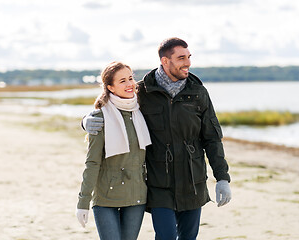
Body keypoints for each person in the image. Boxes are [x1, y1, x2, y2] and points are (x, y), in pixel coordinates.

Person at [83, 38, 231, 240]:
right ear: (165, 61)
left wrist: (222, 177)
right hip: (159, 183)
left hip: (193, 182)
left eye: (189, 57)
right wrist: (86, 120)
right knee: (166, 236)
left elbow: (212, 138)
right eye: (181, 58)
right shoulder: (143, 92)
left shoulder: (198, 93)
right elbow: (114, 108)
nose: (187, 63)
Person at [76, 61, 151, 240]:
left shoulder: (143, 110)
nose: (130, 84)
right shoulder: (100, 118)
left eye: (131, 78)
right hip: (106, 197)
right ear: (110, 87)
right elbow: (92, 163)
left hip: (136, 195)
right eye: (122, 81)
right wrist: (83, 202)